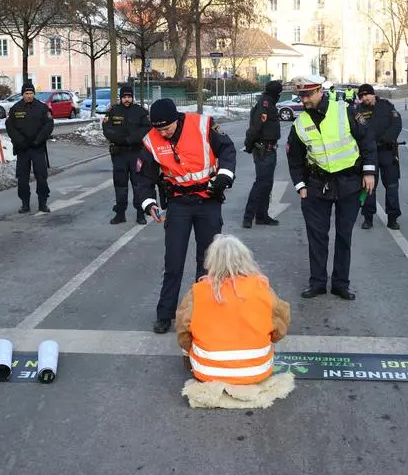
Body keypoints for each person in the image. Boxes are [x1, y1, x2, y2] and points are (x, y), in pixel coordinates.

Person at [134, 99, 237, 334]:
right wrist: (148, 202)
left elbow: (227, 149)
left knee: (208, 261)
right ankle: (165, 314)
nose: (163, 133)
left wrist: (224, 175)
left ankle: (205, 312)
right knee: (173, 261)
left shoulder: (203, 125)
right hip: (178, 202)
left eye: (167, 128)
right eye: (159, 129)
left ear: (177, 119)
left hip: (208, 199)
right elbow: (144, 176)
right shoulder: (151, 141)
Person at [285, 76, 377, 300]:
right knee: (317, 237)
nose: (304, 100)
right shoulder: (300, 123)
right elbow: (294, 157)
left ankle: (340, 284)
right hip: (317, 185)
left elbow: (367, 141)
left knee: (344, 235)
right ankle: (317, 283)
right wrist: (300, 185)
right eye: (301, 95)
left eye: (308, 94)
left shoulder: (344, 111)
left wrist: (369, 172)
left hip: (349, 182)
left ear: (319, 91)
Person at [176, 235, 291, 384]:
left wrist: (192, 348)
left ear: (211, 261)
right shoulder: (262, 289)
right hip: (257, 370)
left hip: (208, 372)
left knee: (188, 331)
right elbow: (280, 327)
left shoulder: (197, 292)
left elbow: (183, 333)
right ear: (245, 258)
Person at [354, 83, 402, 230]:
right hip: (369, 154)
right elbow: (358, 131)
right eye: (361, 96)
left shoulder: (386, 106)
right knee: (368, 187)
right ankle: (368, 217)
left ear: (373, 94)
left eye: (366, 95)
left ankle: (392, 218)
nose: (364, 98)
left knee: (392, 186)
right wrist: (368, 144)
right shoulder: (359, 111)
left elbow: (396, 125)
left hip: (387, 151)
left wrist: (383, 140)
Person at [102, 84, 151, 225]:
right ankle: (120, 213)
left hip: (136, 153)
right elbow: (107, 129)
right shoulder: (113, 111)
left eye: (129, 97)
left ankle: (140, 213)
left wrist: (131, 139)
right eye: (124, 97)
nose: (127, 99)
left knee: (138, 184)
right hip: (119, 154)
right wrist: (120, 140)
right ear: (121, 98)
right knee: (120, 184)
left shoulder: (140, 112)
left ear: (132, 97)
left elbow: (146, 129)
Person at [5, 81, 54, 214]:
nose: (29, 96)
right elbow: (10, 127)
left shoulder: (42, 107)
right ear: (22, 94)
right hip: (23, 149)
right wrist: (20, 141)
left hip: (38, 148)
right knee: (22, 179)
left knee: (41, 177)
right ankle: (25, 204)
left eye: (31, 93)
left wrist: (38, 140)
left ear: (34, 94)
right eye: (26, 93)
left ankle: (42, 203)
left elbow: (48, 125)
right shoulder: (15, 108)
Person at [241, 79, 284, 229]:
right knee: (261, 183)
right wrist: (248, 145)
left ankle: (262, 215)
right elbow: (255, 128)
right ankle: (248, 216)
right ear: (276, 93)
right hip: (263, 150)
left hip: (270, 149)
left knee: (267, 184)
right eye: (279, 93)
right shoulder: (264, 105)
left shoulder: (269, 103)